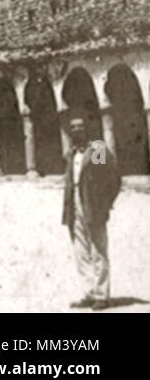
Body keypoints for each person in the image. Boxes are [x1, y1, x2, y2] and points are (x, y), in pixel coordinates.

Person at [62, 116, 121, 310]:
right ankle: (89, 293)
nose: (77, 130)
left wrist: (105, 204)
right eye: (73, 127)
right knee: (81, 251)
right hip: (75, 206)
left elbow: (111, 178)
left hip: (93, 206)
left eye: (80, 126)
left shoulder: (97, 148)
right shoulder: (71, 153)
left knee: (98, 250)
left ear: (87, 128)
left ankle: (102, 295)